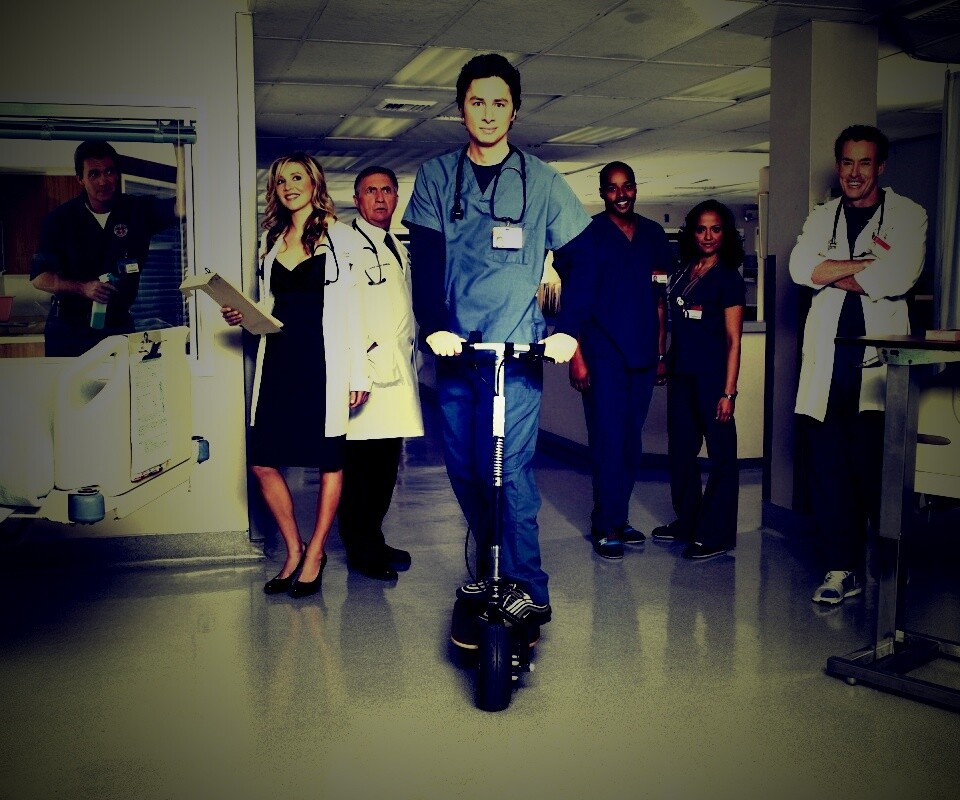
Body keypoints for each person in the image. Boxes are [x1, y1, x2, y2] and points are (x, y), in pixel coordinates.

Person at [402, 53, 594, 632]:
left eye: (499, 103)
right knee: (465, 469)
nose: (488, 113)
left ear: (515, 111)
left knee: (508, 472)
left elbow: (584, 262)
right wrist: (433, 324)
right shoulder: (437, 177)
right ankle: (494, 569)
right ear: (461, 110)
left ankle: (528, 586)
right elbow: (426, 261)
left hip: (517, 354)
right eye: (477, 102)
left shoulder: (542, 180)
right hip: (456, 352)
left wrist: (567, 330)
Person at [221, 153, 371, 598]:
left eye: (297, 177)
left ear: (314, 183)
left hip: (324, 361)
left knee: (329, 461)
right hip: (279, 360)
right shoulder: (270, 240)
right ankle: (294, 549)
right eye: (280, 180)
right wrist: (244, 314)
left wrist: (358, 374)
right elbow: (270, 305)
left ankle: (316, 552)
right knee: (263, 460)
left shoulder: (342, 238)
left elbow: (356, 311)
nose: (288, 186)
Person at [790, 124, 926, 604]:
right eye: (847, 162)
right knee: (829, 474)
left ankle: (891, 565)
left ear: (880, 166)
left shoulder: (908, 215)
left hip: (877, 368)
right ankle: (840, 569)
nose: (854, 172)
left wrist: (828, 271)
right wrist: (864, 266)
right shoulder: (821, 216)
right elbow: (799, 269)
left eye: (864, 162)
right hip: (828, 366)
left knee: (876, 472)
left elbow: (899, 276)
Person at [565, 161, 671, 560]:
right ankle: (604, 524)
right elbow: (573, 304)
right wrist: (577, 357)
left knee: (630, 442)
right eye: (612, 188)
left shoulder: (654, 235)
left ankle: (619, 517)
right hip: (602, 352)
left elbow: (659, 301)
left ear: (636, 188)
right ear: (602, 192)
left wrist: (660, 352)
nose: (621, 194)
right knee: (607, 439)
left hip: (642, 353)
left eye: (627, 186)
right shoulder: (586, 234)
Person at [338, 165, 424, 581]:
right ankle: (360, 549)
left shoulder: (396, 245)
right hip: (366, 374)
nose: (379, 198)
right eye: (370, 191)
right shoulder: (344, 244)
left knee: (386, 466)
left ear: (396, 197)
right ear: (357, 199)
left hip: (396, 371)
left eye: (387, 190)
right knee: (360, 469)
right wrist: (356, 368)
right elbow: (341, 312)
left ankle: (374, 537)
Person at [30, 140, 185, 356]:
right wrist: (83, 288)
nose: (103, 181)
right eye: (94, 174)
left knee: (121, 378)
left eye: (109, 171)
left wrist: (180, 148)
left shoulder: (136, 210)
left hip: (117, 325)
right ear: (81, 179)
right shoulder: (60, 220)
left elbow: (182, 208)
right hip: (69, 329)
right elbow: (40, 278)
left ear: (117, 174)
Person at [652, 199, 745, 560]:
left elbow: (734, 340)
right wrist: (663, 358)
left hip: (712, 378)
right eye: (701, 229)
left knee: (722, 456)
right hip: (681, 375)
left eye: (716, 229)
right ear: (691, 232)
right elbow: (666, 311)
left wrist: (728, 392)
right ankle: (688, 521)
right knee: (680, 452)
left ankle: (716, 534)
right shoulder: (683, 271)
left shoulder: (728, 278)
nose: (708, 236)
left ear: (725, 233)